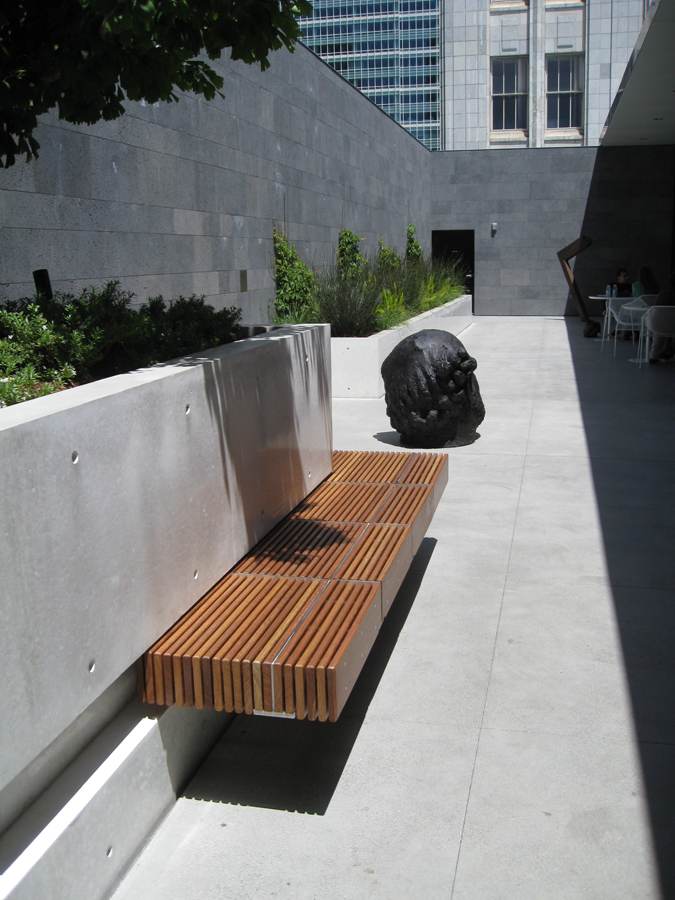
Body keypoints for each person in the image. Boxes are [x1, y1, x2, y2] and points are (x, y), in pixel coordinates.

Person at [649, 271, 675, 363]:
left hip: (658, 325)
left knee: (660, 332)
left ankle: (654, 355)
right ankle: (668, 350)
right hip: (673, 326)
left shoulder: (662, 294)